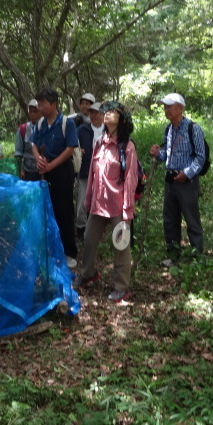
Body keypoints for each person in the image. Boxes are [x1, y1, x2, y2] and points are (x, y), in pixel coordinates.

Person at [73, 101, 138, 303]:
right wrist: (89, 197)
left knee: (120, 245)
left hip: (118, 204)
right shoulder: (99, 142)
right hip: (99, 203)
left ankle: (121, 286)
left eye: (112, 112)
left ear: (122, 118)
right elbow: (93, 173)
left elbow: (130, 179)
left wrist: (127, 208)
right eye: (106, 112)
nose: (107, 114)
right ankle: (88, 273)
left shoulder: (127, 146)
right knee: (90, 238)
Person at [149, 93, 206, 265]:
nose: (166, 110)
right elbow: (167, 154)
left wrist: (187, 173)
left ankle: (197, 255)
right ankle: (173, 255)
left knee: (191, 219)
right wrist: (158, 153)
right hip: (171, 180)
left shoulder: (193, 129)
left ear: (180, 108)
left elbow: (200, 157)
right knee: (170, 219)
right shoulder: (169, 129)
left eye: (169, 106)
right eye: (165, 107)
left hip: (187, 182)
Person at [32, 88, 80, 269]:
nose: (40, 107)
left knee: (64, 211)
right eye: (39, 103)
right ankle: (51, 249)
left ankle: (70, 252)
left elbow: (70, 149)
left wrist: (52, 165)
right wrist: (38, 159)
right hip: (44, 171)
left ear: (54, 104)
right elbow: (33, 145)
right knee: (46, 209)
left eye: (43, 103)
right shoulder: (40, 124)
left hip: (61, 172)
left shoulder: (67, 123)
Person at [75, 101, 104, 240]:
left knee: (100, 201)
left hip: (104, 173)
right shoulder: (82, 129)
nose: (93, 115)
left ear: (103, 114)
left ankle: (97, 230)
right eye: (91, 112)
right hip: (86, 170)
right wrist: (78, 150)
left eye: (96, 112)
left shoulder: (108, 130)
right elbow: (73, 144)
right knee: (82, 202)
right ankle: (81, 229)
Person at [14, 99, 42, 180]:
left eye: (35, 111)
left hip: (44, 170)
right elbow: (18, 152)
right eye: (31, 111)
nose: (33, 114)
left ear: (40, 112)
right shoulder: (23, 129)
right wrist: (20, 169)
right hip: (28, 170)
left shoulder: (46, 127)